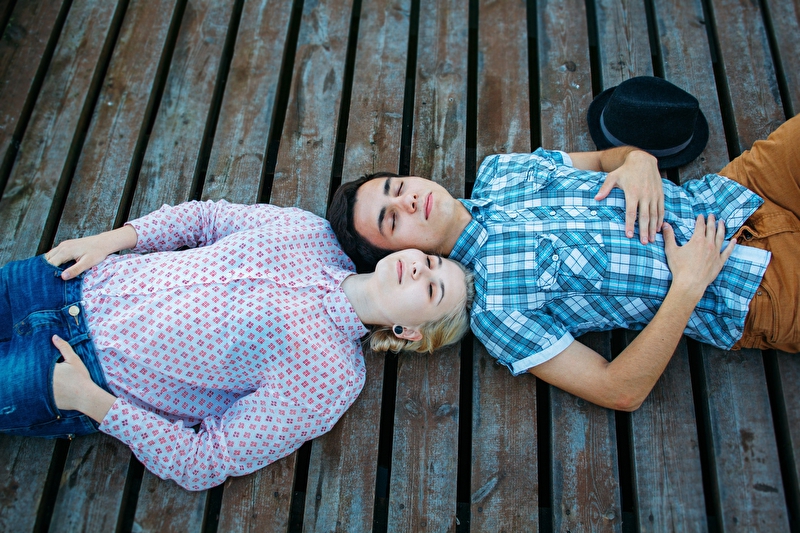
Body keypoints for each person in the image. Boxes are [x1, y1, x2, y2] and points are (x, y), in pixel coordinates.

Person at [328, 77, 799, 412]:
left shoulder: (502, 171)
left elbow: (605, 158)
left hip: (740, 191)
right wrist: (688, 287)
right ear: (399, 256)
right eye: (392, 220)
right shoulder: (497, 313)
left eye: (396, 186)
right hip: (749, 289)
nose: (408, 199)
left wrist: (637, 160)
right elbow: (618, 390)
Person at [0, 200, 474, 491]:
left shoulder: (332, 378)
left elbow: (206, 460)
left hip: (72, 371)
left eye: (433, 290)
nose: (420, 269)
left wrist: (88, 400)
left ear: (408, 332)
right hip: (67, 280)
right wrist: (109, 240)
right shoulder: (310, 232)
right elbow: (206, 219)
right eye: (431, 261)